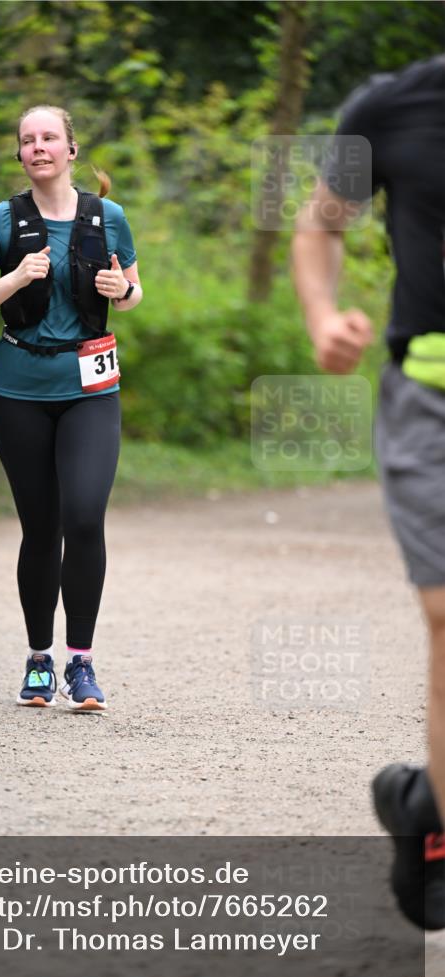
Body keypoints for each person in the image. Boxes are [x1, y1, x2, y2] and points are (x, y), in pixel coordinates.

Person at [292, 55, 445, 929]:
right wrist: (322, 318)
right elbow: (321, 227)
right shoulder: (388, 108)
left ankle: (427, 804)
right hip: (432, 401)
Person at [0, 104, 142, 711]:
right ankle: (38, 660)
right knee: (42, 527)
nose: (39, 147)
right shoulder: (0, 222)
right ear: (20, 155)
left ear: (71, 150)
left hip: (90, 387)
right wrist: (14, 279)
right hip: (18, 392)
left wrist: (124, 291)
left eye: (49, 137)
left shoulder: (107, 217)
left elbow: (133, 291)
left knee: (85, 516)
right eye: (28, 140)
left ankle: (80, 664)